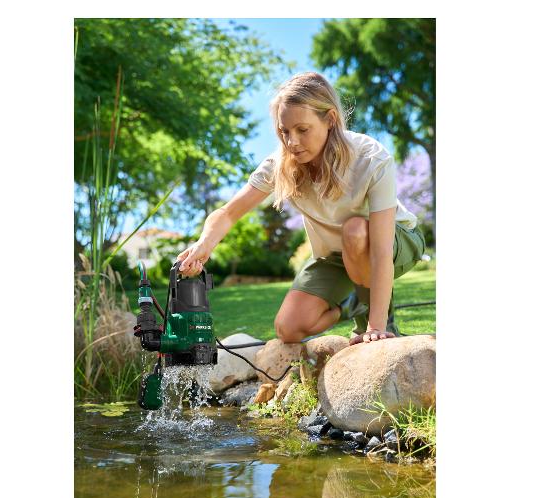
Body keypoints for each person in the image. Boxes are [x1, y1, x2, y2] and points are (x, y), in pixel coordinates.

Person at [176, 71, 426, 345]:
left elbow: (379, 251)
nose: (292, 142)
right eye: (284, 132)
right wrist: (203, 245)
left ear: (330, 120)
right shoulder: (280, 164)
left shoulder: (370, 158)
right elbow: (228, 213)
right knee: (288, 328)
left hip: (394, 242)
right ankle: (352, 304)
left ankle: (373, 318)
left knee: (355, 230)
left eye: (302, 130)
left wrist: (376, 325)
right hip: (336, 256)